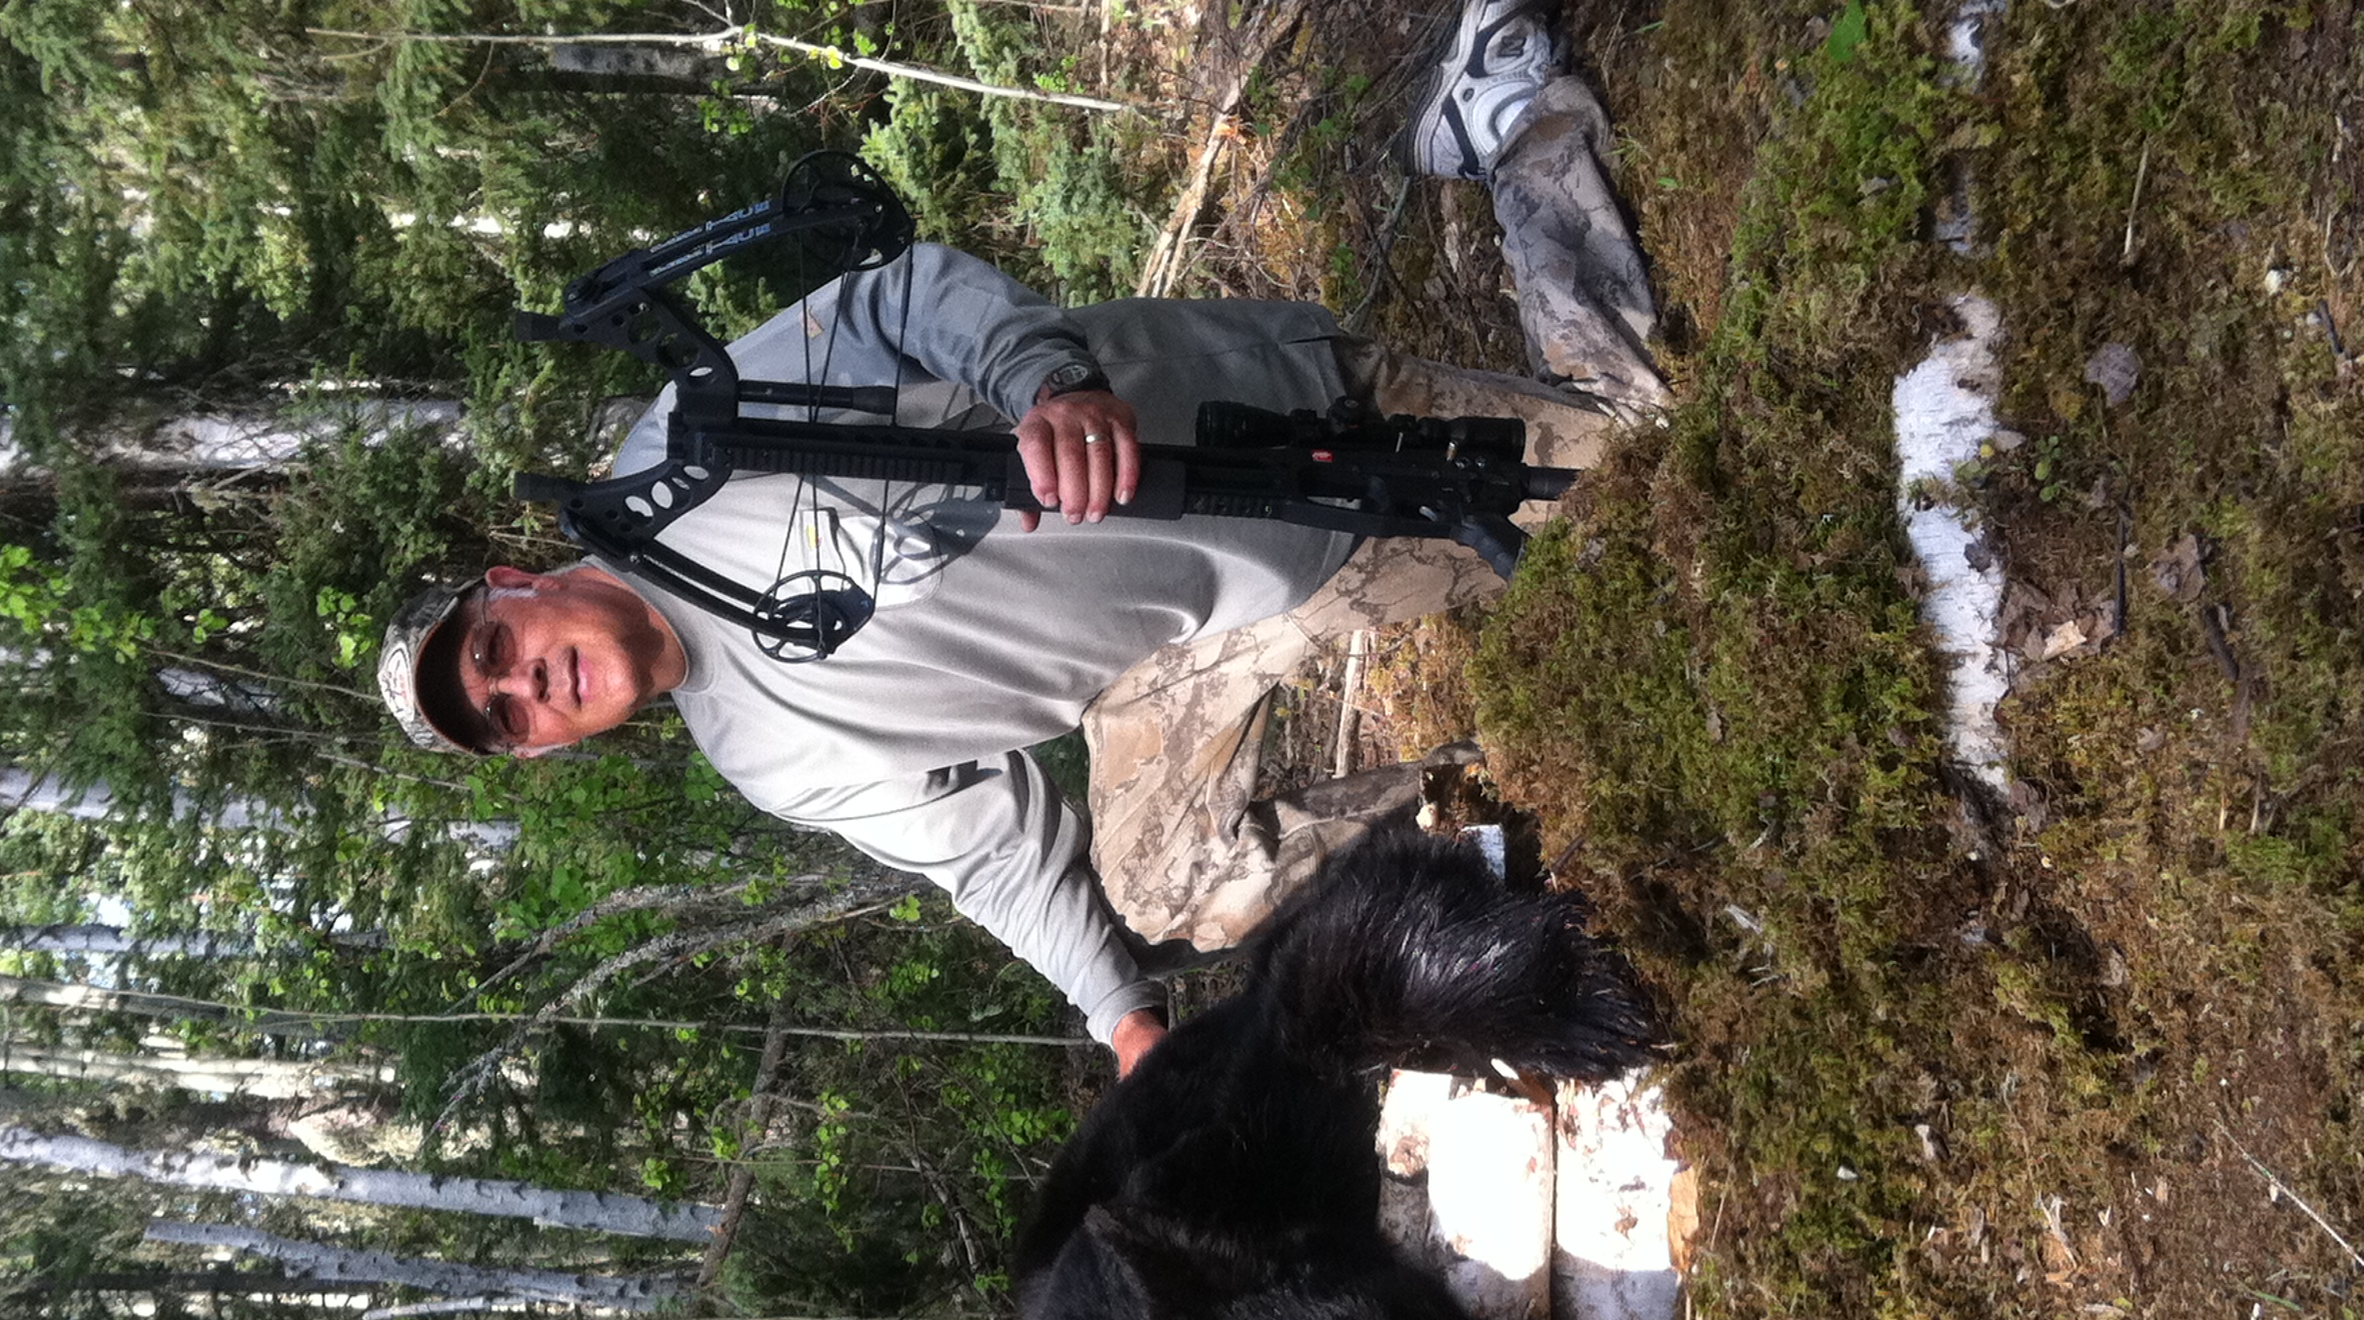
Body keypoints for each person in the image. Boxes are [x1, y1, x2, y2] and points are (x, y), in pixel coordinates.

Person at [379, 0, 1663, 1077]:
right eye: (507, 715)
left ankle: (1511, 118)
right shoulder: (769, 762)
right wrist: (1125, 1024)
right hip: (1189, 630)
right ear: (542, 747)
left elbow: (899, 297)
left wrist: (1042, 382)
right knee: (1172, 888)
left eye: (496, 650)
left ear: (516, 581)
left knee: (1634, 462)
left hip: (1258, 437)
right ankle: (1478, 837)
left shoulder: (692, 437)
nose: (526, 685)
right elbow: (991, 852)